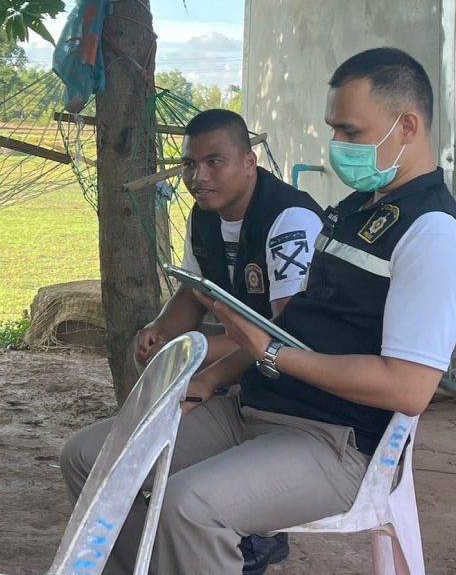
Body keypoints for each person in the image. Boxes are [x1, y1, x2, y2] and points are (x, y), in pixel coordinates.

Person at [61, 48, 456, 575]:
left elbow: (408, 389)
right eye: (334, 130)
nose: (337, 146)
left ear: (408, 127)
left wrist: (273, 355)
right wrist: (212, 379)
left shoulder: (433, 237)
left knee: (188, 508)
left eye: (350, 132)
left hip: (337, 441)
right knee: (90, 459)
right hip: (254, 408)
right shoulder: (355, 211)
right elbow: (293, 323)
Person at [133, 109, 324, 573]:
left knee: (188, 491)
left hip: (297, 383)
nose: (198, 177)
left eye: (214, 162)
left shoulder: (290, 219)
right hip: (247, 361)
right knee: (136, 443)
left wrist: (203, 359)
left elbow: (287, 335)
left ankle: (254, 537)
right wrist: (161, 332)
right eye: (189, 164)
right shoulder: (204, 217)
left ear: (249, 163)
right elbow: (192, 292)